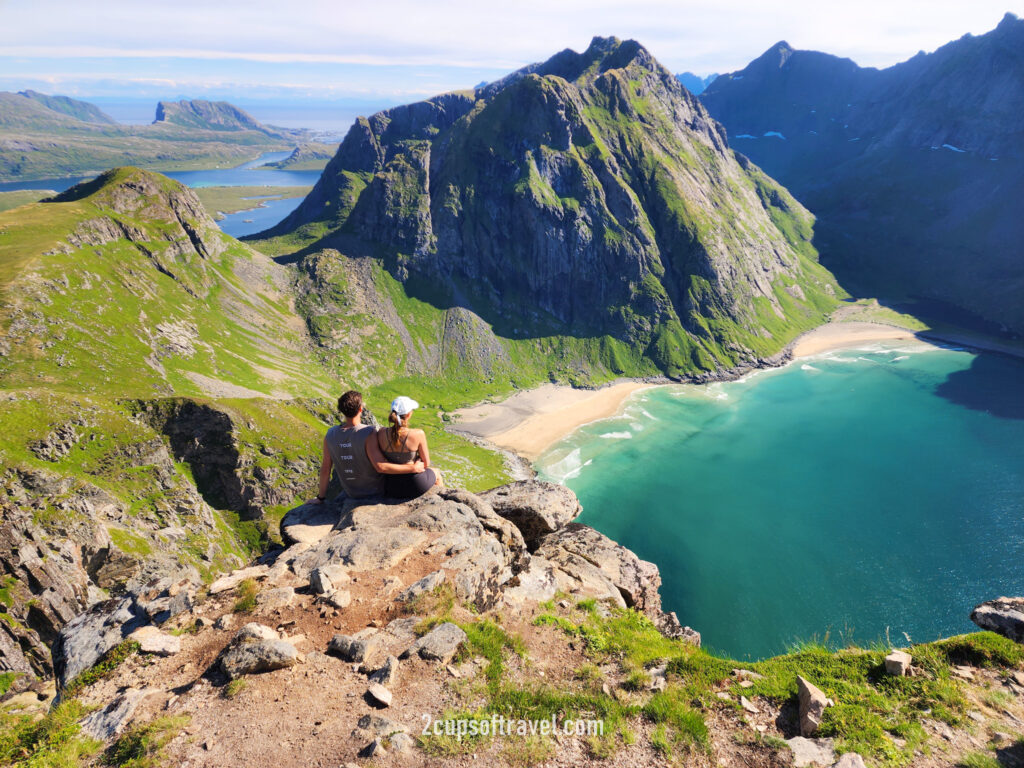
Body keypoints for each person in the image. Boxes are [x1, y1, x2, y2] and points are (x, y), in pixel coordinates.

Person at [313, 390, 425, 504]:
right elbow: (380, 466)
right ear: (360, 409)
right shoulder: (368, 432)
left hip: (350, 493)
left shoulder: (330, 434)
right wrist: (413, 468)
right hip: (375, 492)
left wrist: (320, 498)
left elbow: (326, 469)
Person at [376, 395, 444, 499]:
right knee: (437, 473)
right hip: (415, 484)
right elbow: (426, 463)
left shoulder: (381, 432)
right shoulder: (418, 434)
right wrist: (417, 460)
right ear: (408, 414)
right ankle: (441, 501)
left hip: (391, 486)